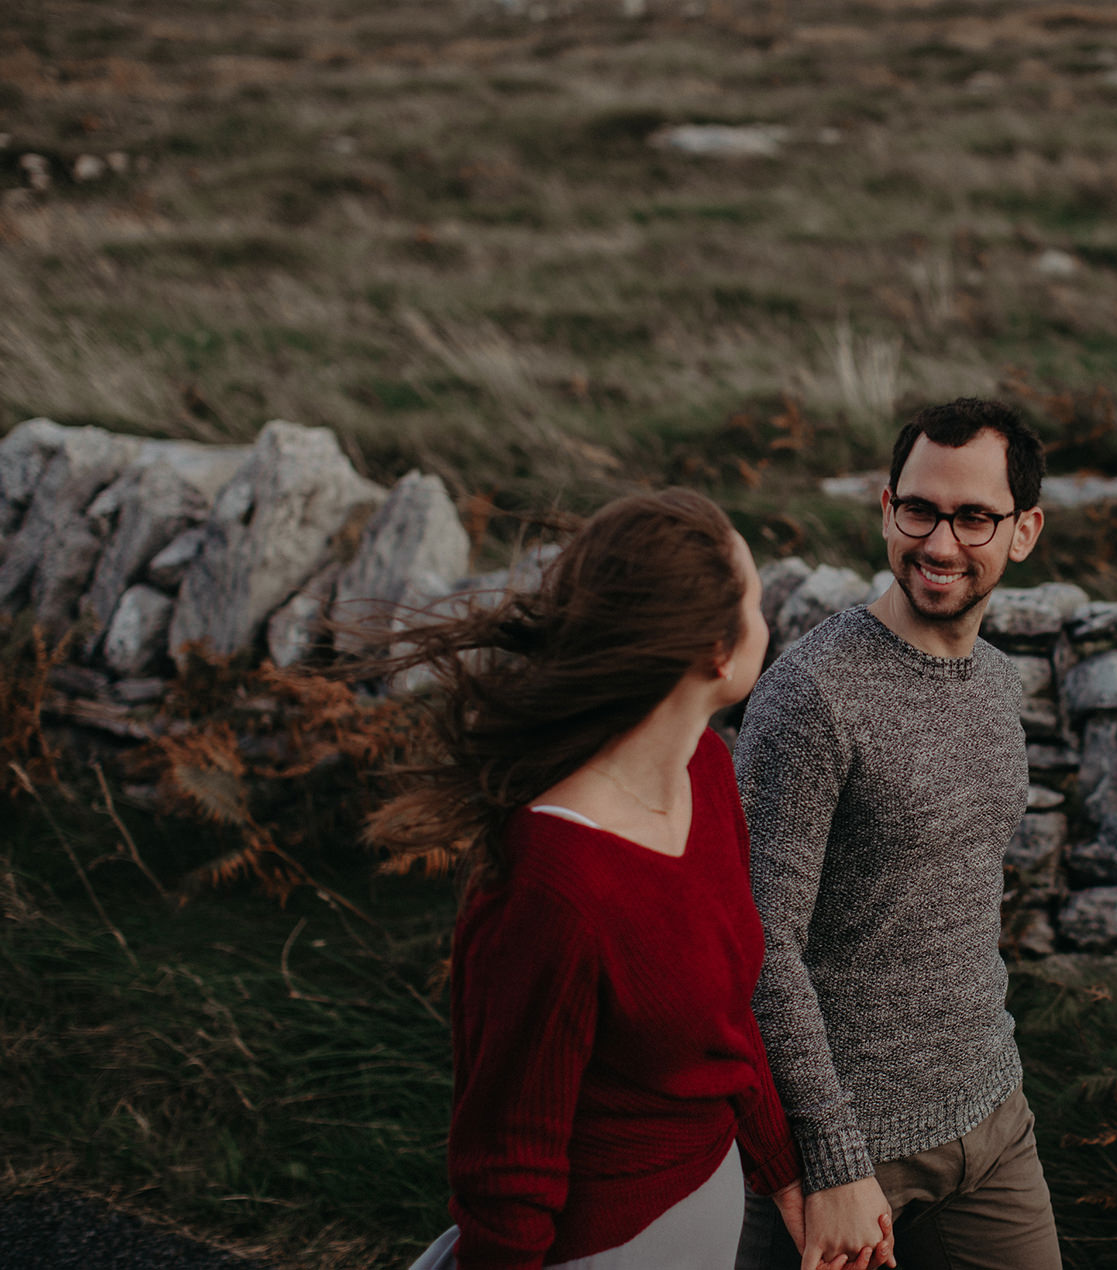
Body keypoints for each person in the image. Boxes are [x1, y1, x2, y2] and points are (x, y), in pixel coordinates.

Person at [375, 490, 892, 1270]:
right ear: (718, 655)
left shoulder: (708, 771)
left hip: (709, 1207)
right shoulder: (551, 889)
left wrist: (789, 1179)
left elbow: (724, 1018)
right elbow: (508, 1173)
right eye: (754, 603)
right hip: (600, 1249)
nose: (768, 622)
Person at [735, 399, 1063, 1270]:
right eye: (919, 510)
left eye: (974, 518)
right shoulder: (811, 696)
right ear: (887, 508)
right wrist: (832, 1159)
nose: (941, 544)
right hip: (844, 1157)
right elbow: (761, 945)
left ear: (1023, 530)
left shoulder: (998, 684)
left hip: (994, 1123)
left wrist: (997, 1081)